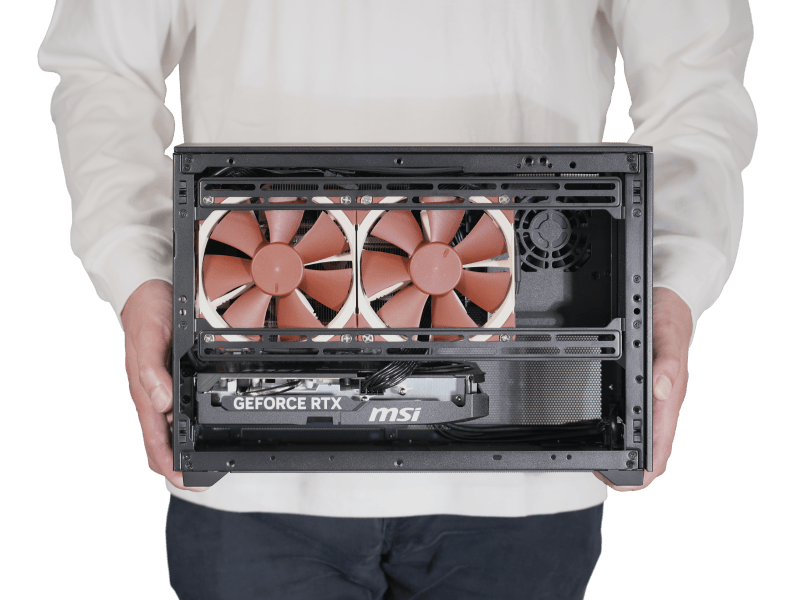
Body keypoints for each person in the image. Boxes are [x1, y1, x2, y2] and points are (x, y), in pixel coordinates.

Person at [38, 1, 757, 598]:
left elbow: (697, 79)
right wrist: (137, 274)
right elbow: (104, 68)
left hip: (534, 446)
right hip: (247, 463)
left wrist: (670, 285)